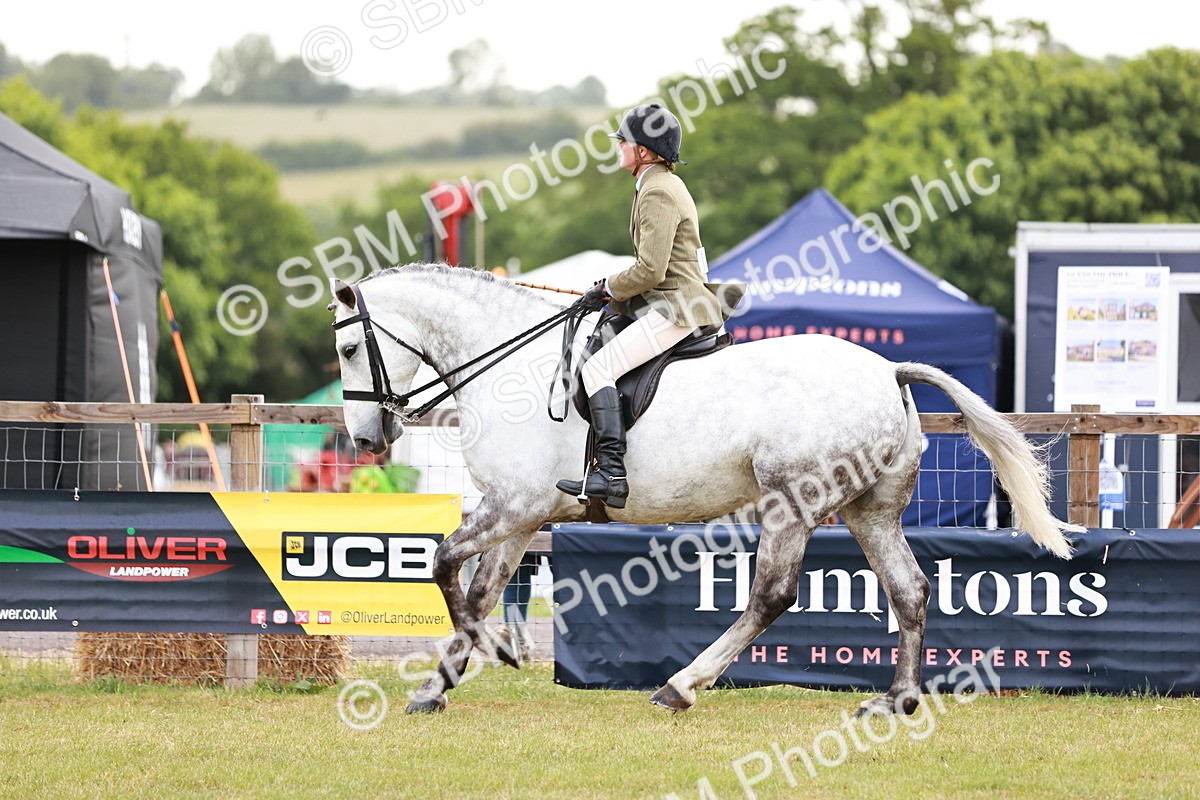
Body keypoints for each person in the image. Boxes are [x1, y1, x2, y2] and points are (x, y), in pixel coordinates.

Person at [556, 103, 728, 509]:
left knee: (598, 367)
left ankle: (611, 472)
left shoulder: (657, 190)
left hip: (676, 307)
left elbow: (651, 270)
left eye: (626, 141)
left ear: (646, 152)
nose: (619, 146)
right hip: (668, 300)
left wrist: (608, 288)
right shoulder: (662, 184)